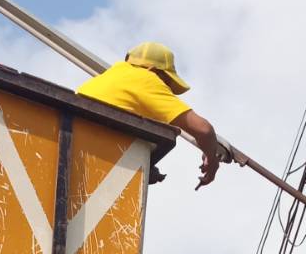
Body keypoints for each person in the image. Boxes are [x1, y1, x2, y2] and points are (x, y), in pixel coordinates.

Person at [76, 43, 223, 187]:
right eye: (166, 82)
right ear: (153, 70)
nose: (167, 90)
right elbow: (204, 130)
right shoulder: (146, 78)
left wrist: (145, 164)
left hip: (78, 152)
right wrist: (212, 159)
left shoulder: (109, 76)